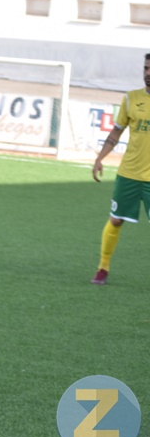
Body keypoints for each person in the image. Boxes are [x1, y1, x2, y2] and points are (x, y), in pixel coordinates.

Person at [90, 52, 150, 284]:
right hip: (130, 174)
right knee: (115, 220)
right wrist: (100, 158)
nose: (148, 73)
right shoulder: (131, 99)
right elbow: (116, 131)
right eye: (145, 68)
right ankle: (103, 267)